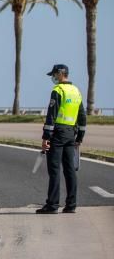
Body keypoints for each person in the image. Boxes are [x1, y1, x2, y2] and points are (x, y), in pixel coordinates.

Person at [37, 63, 87, 214]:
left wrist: (46, 137)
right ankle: (71, 205)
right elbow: (82, 116)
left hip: (57, 133)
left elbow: (51, 116)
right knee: (70, 170)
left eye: (54, 74)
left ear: (60, 73)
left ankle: (52, 205)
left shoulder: (58, 90)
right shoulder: (76, 91)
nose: (53, 77)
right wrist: (80, 136)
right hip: (71, 133)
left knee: (54, 170)